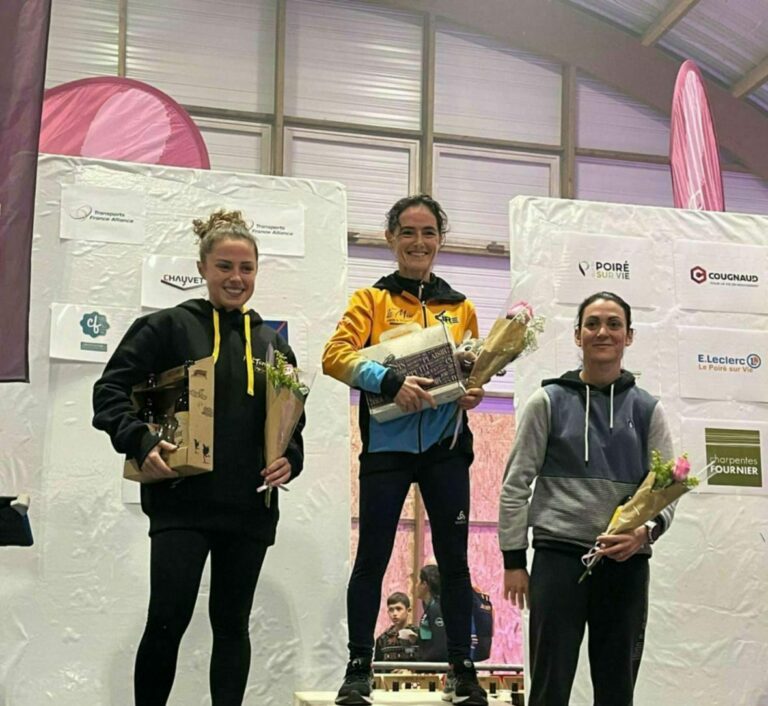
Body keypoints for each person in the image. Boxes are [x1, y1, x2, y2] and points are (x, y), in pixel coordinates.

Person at [92, 209, 305, 706]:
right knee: (167, 620)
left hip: (250, 509)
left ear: (257, 271)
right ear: (203, 268)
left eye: (246, 268)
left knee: (232, 626)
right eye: (225, 266)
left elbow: (292, 424)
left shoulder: (274, 345)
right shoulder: (165, 327)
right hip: (181, 503)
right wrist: (140, 440)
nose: (236, 278)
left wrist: (291, 459)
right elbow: (109, 393)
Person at [323, 194, 488, 706]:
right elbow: (335, 357)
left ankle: (462, 670)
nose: (419, 242)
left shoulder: (461, 307)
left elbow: (471, 373)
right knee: (371, 558)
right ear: (391, 238)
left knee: (454, 563)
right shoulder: (369, 301)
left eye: (428, 232)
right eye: (409, 232)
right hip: (387, 450)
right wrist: (390, 381)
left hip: (445, 447)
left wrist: (473, 390)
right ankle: (358, 669)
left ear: (441, 239)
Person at [498, 291, 675, 706]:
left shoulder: (649, 410)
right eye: (592, 324)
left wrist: (645, 533)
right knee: (549, 688)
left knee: (617, 691)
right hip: (557, 561)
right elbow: (515, 484)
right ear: (578, 335)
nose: (603, 332)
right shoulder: (547, 402)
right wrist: (513, 561)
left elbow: (667, 489)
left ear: (629, 336)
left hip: (625, 564)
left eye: (614, 324)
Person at [415, 564, 448, 663]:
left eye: (417, 582)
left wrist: (418, 667)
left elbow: (440, 646)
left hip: (435, 668)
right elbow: (429, 638)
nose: (415, 586)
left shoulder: (436, 608)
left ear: (424, 584)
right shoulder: (429, 608)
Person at [373, 592, 419, 662]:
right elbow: (378, 665)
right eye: (391, 610)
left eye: (399, 609)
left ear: (408, 611)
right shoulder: (382, 639)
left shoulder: (418, 634)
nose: (394, 613)